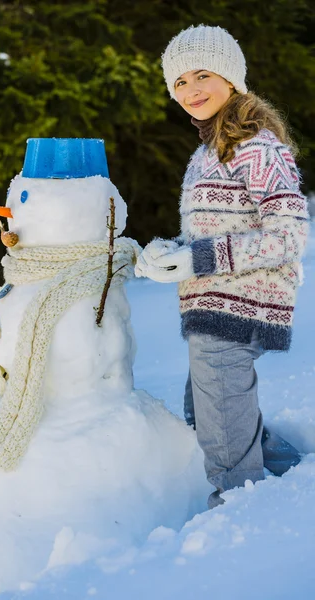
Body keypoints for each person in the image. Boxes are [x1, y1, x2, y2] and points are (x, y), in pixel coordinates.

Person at [135, 25, 310, 509]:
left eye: (202, 75)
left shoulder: (260, 148)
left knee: (223, 435)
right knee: (208, 410)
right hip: (211, 304)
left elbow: (290, 235)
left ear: (232, 78)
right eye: (179, 82)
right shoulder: (206, 154)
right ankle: (297, 480)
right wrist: (170, 252)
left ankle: (239, 514)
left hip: (246, 303)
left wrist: (198, 258)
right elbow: (208, 236)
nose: (190, 90)